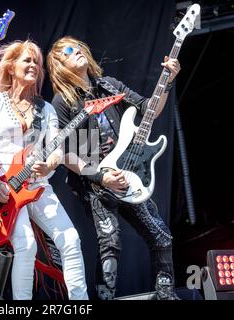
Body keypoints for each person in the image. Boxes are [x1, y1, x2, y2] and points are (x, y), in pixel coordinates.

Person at [47, 36, 181, 300]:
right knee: (110, 246)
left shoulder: (109, 85)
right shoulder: (63, 103)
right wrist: (102, 177)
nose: (78, 52)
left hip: (129, 175)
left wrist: (167, 80)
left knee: (162, 238)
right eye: (69, 51)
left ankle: (167, 297)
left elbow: (148, 109)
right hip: (96, 183)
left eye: (79, 47)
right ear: (59, 65)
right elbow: (64, 153)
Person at [0, 40, 88, 300]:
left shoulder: (45, 108)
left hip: (37, 184)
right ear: (11, 67)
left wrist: (50, 164)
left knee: (70, 239)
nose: (34, 65)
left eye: (37, 62)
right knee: (25, 245)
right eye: (27, 60)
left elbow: (57, 146)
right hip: (4, 185)